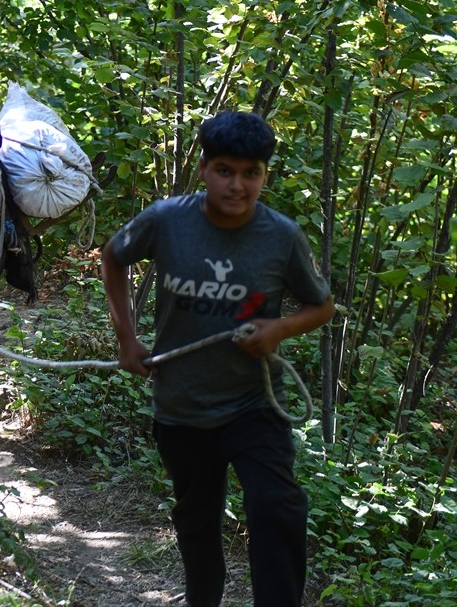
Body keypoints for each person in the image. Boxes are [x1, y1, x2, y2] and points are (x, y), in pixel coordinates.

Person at [101, 110, 335, 607]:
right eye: (225, 170)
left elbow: (322, 306)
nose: (237, 185)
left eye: (251, 173)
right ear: (204, 168)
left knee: (277, 506)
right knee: (197, 515)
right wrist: (127, 339)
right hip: (182, 403)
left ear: (264, 175)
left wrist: (280, 328)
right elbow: (113, 256)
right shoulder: (166, 220)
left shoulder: (282, 236)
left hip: (254, 402)